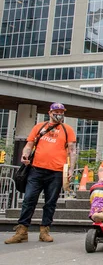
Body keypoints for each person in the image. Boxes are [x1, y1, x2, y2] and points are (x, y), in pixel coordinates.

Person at [5, 103, 76, 244]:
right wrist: (25, 156)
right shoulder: (39, 127)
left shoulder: (67, 130)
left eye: (61, 112)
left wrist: (71, 169)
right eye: (56, 111)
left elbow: (72, 151)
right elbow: (29, 145)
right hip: (36, 170)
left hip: (56, 172)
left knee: (50, 203)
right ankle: (22, 231)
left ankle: (44, 231)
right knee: (29, 200)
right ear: (50, 113)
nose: (59, 114)